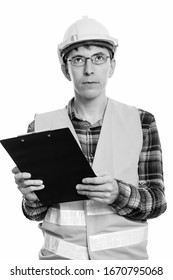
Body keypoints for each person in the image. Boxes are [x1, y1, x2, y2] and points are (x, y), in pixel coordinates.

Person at [12, 16, 167, 260]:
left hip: (123, 268)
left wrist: (119, 194)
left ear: (112, 66)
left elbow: (157, 203)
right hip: (59, 266)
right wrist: (31, 199)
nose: (89, 69)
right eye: (78, 59)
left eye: (99, 58)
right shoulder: (40, 127)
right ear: (65, 69)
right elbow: (34, 214)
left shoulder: (142, 122)